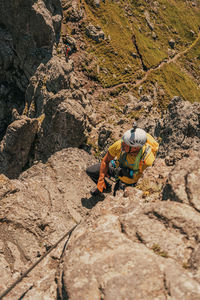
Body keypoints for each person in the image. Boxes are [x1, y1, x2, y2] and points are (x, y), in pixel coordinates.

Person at [86, 123, 159, 196]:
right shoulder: (120, 144)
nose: (122, 144)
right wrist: (101, 180)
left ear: (135, 148)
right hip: (117, 168)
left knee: (117, 197)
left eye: (126, 144)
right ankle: (105, 188)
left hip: (130, 181)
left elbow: (145, 181)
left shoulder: (147, 160)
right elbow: (106, 160)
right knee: (91, 171)